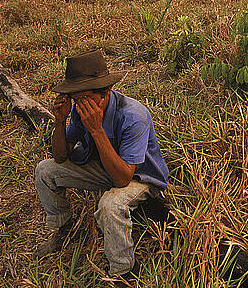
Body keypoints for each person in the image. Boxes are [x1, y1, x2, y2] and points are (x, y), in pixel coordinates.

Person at [34, 50, 169, 281]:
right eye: (75, 98)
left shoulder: (133, 116)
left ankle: (123, 272)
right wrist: (59, 120)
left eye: (84, 97)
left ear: (105, 92)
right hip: (105, 168)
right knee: (45, 170)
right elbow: (59, 157)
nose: (79, 104)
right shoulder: (80, 108)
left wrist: (96, 130)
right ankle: (63, 227)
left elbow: (123, 179)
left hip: (138, 177)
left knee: (111, 205)